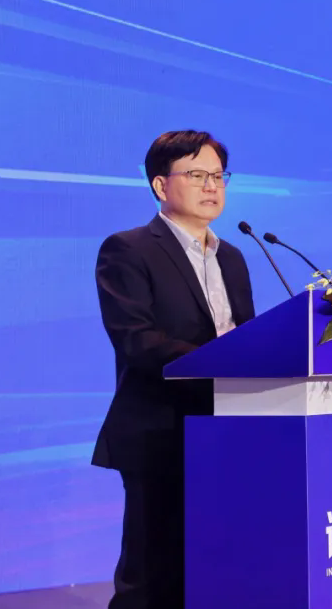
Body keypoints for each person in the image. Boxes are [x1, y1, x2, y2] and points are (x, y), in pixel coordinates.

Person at [92, 130, 256, 608]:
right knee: (152, 577)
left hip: (228, 430)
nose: (212, 186)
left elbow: (248, 339)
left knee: (217, 570)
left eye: (219, 176)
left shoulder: (233, 257)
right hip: (160, 432)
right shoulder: (128, 249)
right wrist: (221, 359)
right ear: (161, 185)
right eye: (197, 174)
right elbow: (136, 340)